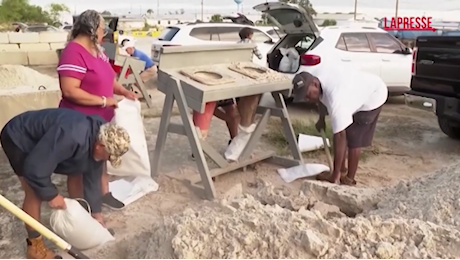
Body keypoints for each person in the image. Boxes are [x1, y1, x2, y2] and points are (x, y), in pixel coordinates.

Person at [0, 108, 130, 259]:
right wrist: (51, 194)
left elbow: (93, 175)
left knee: (80, 169)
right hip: (19, 136)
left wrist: (96, 214)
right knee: (34, 191)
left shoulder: (100, 134)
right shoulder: (72, 136)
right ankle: (35, 247)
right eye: (109, 155)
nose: (109, 159)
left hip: (49, 139)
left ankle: (82, 220)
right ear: (99, 146)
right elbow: (35, 169)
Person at [57, 9, 136, 210]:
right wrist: (103, 100)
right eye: (102, 29)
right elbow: (69, 90)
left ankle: (104, 194)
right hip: (79, 121)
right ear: (92, 29)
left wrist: (124, 93)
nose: (104, 33)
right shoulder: (73, 52)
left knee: (101, 158)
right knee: (78, 165)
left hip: (101, 120)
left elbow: (109, 80)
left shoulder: (97, 51)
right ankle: (79, 205)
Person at [292, 64, 388, 185]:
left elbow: (340, 136)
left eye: (307, 94)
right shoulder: (317, 79)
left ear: (315, 84)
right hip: (354, 90)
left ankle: (349, 178)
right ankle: (341, 170)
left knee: (353, 138)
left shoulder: (336, 99)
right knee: (341, 129)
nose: (306, 99)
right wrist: (321, 119)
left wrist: (334, 175)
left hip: (373, 94)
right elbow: (321, 99)